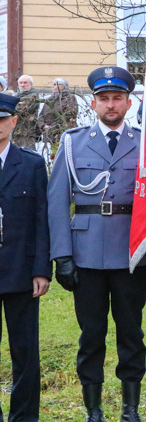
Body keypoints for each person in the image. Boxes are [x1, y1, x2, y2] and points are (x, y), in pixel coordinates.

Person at [48, 66, 146, 422]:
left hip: (133, 251)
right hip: (85, 254)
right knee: (92, 335)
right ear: (94, 103)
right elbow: (57, 203)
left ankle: (131, 409)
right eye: (104, 99)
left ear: (129, 103)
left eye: (117, 98)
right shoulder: (72, 142)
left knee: (131, 333)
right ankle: (94, 409)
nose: (111, 105)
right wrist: (62, 256)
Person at [0, 92, 50, 422]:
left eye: (2, 119)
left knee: (25, 352)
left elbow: (42, 220)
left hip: (20, 269)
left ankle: (24, 416)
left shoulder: (31, 163)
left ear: (14, 121)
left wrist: (41, 269)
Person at [38, 77, 79, 151]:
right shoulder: (49, 100)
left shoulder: (69, 98)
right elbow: (41, 115)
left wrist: (53, 126)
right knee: (54, 156)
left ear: (62, 86)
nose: (53, 87)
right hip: (51, 136)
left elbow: (70, 115)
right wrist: (43, 126)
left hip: (63, 133)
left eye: (55, 84)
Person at [13, 75, 40, 150]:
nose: (23, 85)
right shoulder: (16, 95)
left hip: (28, 130)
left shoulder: (34, 95)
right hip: (15, 130)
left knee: (28, 154)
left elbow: (25, 110)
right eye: (21, 83)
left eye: (25, 83)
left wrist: (15, 106)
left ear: (31, 84)